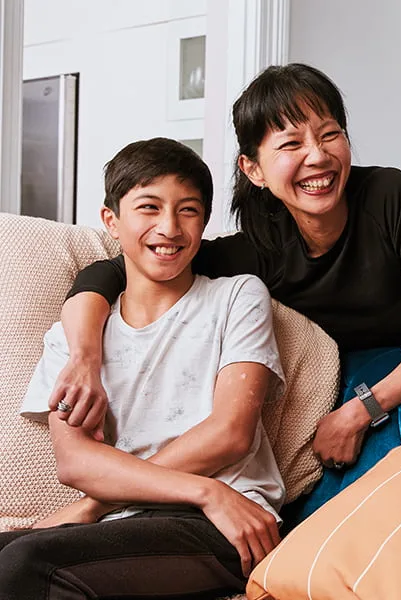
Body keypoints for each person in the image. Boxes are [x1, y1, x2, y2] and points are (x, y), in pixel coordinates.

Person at [57, 63, 401, 472]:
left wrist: (358, 413)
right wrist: (84, 358)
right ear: (254, 170)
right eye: (291, 145)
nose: (318, 156)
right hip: (378, 367)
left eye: (330, 135)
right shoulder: (258, 250)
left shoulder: (390, 196)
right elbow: (110, 272)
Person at [0, 138, 285, 599]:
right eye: (148, 208)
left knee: (26, 564)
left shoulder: (237, 297)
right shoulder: (73, 339)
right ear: (111, 220)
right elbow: (77, 463)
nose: (169, 227)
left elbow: (231, 432)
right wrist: (197, 488)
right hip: (130, 523)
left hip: (227, 520)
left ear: (205, 222)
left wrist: (100, 501)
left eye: (188, 210)